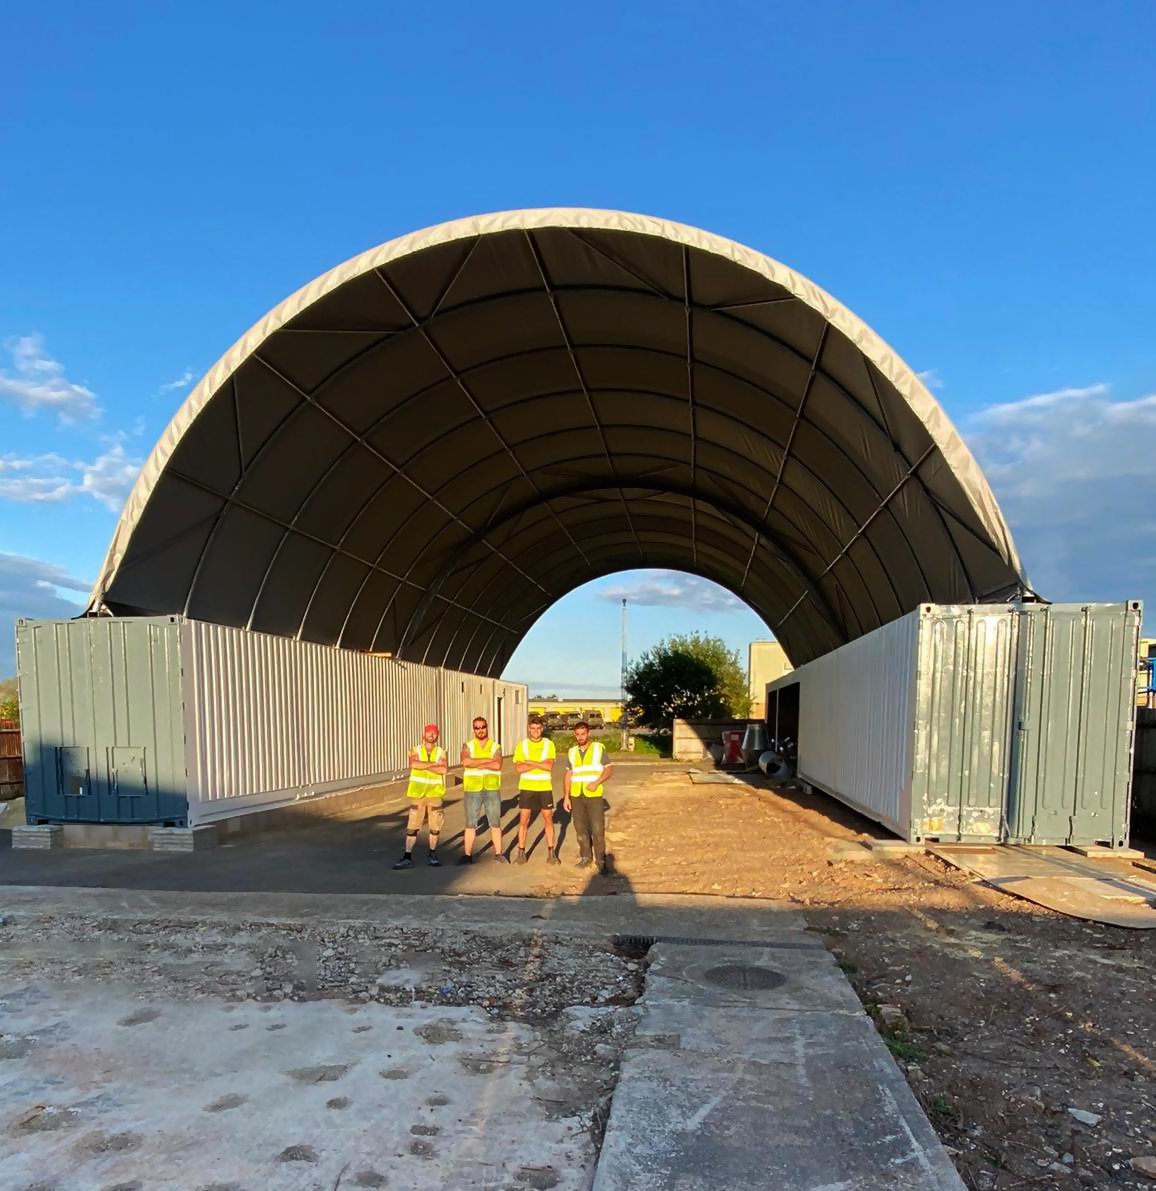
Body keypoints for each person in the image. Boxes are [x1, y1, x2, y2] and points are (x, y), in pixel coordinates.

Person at [393, 723, 448, 869]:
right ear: (423, 734)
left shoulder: (441, 751)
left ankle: (432, 854)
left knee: (435, 826)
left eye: (434, 732)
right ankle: (407, 856)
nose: (431, 735)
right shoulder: (415, 749)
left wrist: (424, 765)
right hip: (418, 794)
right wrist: (433, 765)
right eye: (429, 732)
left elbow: (443, 769)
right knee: (413, 826)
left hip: (435, 793)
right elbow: (414, 764)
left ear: (438, 735)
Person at [563, 720, 614, 873]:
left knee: (597, 830)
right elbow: (568, 774)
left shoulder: (598, 748)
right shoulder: (572, 752)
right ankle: (585, 857)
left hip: (593, 795)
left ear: (588, 733)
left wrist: (597, 782)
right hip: (576, 796)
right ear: (574, 735)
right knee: (580, 828)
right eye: (578, 734)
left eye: (583, 734)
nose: (580, 737)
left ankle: (601, 861)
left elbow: (609, 770)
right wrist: (566, 796)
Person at [458, 716, 507, 864]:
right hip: (472, 789)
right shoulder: (468, 745)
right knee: (470, 823)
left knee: (495, 823)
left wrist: (476, 762)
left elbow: (497, 765)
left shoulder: (495, 746)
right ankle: (467, 855)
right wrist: (487, 760)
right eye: (477, 728)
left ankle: (498, 854)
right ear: (473, 729)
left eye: (483, 727)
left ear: (487, 727)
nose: (480, 730)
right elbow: (466, 762)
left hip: (492, 788)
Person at [513, 715, 558, 864]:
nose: (536, 731)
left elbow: (549, 766)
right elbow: (519, 768)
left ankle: (551, 852)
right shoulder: (522, 745)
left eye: (538, 728)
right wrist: (540, 763)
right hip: (527, 787)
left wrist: (530, 762)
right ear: (529, 729)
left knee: (548, 818)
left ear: (542, 729)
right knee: (524, 819)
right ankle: (521, 852)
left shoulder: (548, 744)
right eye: (533, 728)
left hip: (544, 787)